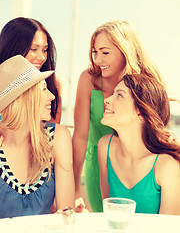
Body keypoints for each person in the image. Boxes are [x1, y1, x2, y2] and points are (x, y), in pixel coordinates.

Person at [72, 20, 163, 212]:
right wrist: (74, 189)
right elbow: (80, 136)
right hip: (99, 164)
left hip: (142, 171)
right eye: (95, 52)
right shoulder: (88, 80)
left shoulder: (148, 82)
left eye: (105, 52)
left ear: (125, 50)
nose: (98, 60)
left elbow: (158, 130)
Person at [0, 55, 75, 218]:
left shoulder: (58, 138)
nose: (52, 96)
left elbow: (66, 213)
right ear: (22, 97)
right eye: (43, 89)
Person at [98, 74, 180, 215]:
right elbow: (109, 212)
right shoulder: (105, 146)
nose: (107, 99)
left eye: (119, 95)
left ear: (141, 112)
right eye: (112, 93)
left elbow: (168, 228)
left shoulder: (167, 165)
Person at [0, 17, 62, 124]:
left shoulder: (52, 82)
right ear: (13, 48)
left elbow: (52, 130)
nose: (42, 57)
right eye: (34, 49)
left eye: (45, 50)